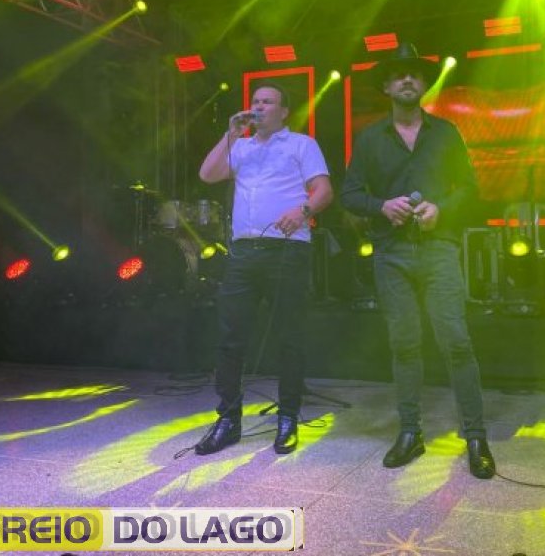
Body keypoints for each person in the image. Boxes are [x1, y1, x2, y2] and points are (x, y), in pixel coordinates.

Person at [341, 42, 495, 479]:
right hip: (391, 253)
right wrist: (380, 206)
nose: (407, 79)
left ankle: (476, 436)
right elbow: (349, 193)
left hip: (438, 248)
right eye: (398, 74)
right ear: (387, 87)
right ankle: (411, 433)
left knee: (456, 342)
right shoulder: (371, 138)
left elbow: (470, 188)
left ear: (424, 84)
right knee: (404, 344)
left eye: (414, 73)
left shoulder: (445, 133)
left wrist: (441, 208)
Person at [196, 81, 333, 455]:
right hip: (244, 251)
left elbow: (324, 190)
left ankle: (288, 416)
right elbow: (207, 174)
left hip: (286, 249)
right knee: (231, 336)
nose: (258, 106)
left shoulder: (301, 144)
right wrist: (230, 132)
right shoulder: (241, 146)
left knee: (289, 336)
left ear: (283, 111)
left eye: (267, 102)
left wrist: (302, 210)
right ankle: (228, 420)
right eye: (255, 101)